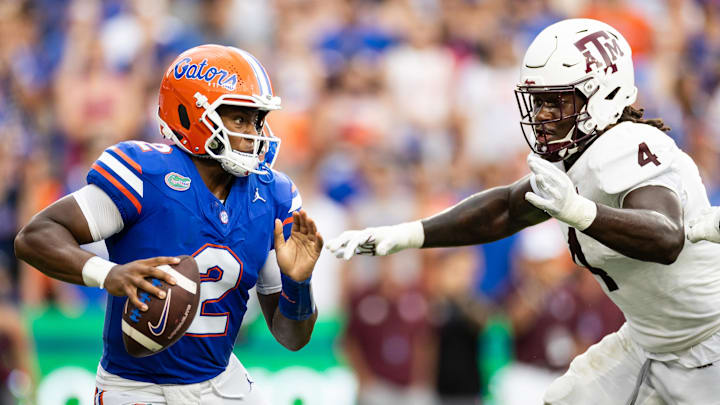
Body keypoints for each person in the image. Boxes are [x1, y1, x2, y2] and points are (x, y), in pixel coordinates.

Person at [327, 18, 720, 405]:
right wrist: (408, 235)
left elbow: (666, 237)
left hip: (707, 346)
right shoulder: (574, 155)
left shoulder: (627, 144)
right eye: (539, 100)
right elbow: (507, 208)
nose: (544, 114)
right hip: (649, 340)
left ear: (603, 93)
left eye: (557, 100)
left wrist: (581, 212)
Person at [14, 44, 324, 405]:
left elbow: (292, 338)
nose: (252, 132)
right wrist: (108, 274)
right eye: (238, 118)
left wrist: (298, 284)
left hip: (220, 384)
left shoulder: (272, 196)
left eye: (256, 120)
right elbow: (35, 236)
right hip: (135, 387)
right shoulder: (147, 175)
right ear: (190, 113)